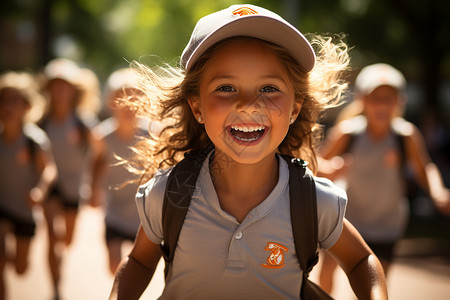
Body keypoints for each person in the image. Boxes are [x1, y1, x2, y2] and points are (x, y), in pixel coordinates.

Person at [109, 4, 388, 300]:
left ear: (295, 107)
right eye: (226, 88)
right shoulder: (169, 194)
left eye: (269, 88)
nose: (249, 104)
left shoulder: (313, 201)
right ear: (197, 106)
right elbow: (139, 261)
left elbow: (362, 261)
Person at [316, 63, 450, 293]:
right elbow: (315, 163)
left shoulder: (405, 135)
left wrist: (438, 192)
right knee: (327, 270)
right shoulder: (348, 133)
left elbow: (424, 167)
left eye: (388, 98)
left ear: (399, 102)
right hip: (349, 219)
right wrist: (331, 169)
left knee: (376, 284)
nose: (381, 104)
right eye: (375, 97)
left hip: (387, 224)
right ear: (362, 100)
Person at [39, 58, 100, 300]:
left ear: (74, 90)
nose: (60, 91)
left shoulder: (84, 123)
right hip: (51, 189)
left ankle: (58, 261)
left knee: (67, 240)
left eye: (65, 86)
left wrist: (94, 185)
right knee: (52, 236)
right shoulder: (40, 122)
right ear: (48, 89)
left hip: (76, 190)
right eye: (55, 85)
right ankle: (55, 288)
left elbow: (99, 155)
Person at [0, 71, 57, 300]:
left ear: (26, 106)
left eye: (15, 100)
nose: (8, 106)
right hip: (2, 207)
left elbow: (50, 170)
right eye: (4, 100)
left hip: (25, 211)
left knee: (20, 269)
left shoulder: (35, 139)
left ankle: (17, 258)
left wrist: (40, 190)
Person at [90, 68, 149, 274]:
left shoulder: (151, 134)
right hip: (114, 211)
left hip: (143, 216)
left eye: (135, 97)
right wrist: (93, 189)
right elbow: (97, 162)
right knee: (114, 266)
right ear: (111, 102)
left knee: (136, 270)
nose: (128, 104)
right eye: (121, 97)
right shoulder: (101, 136)